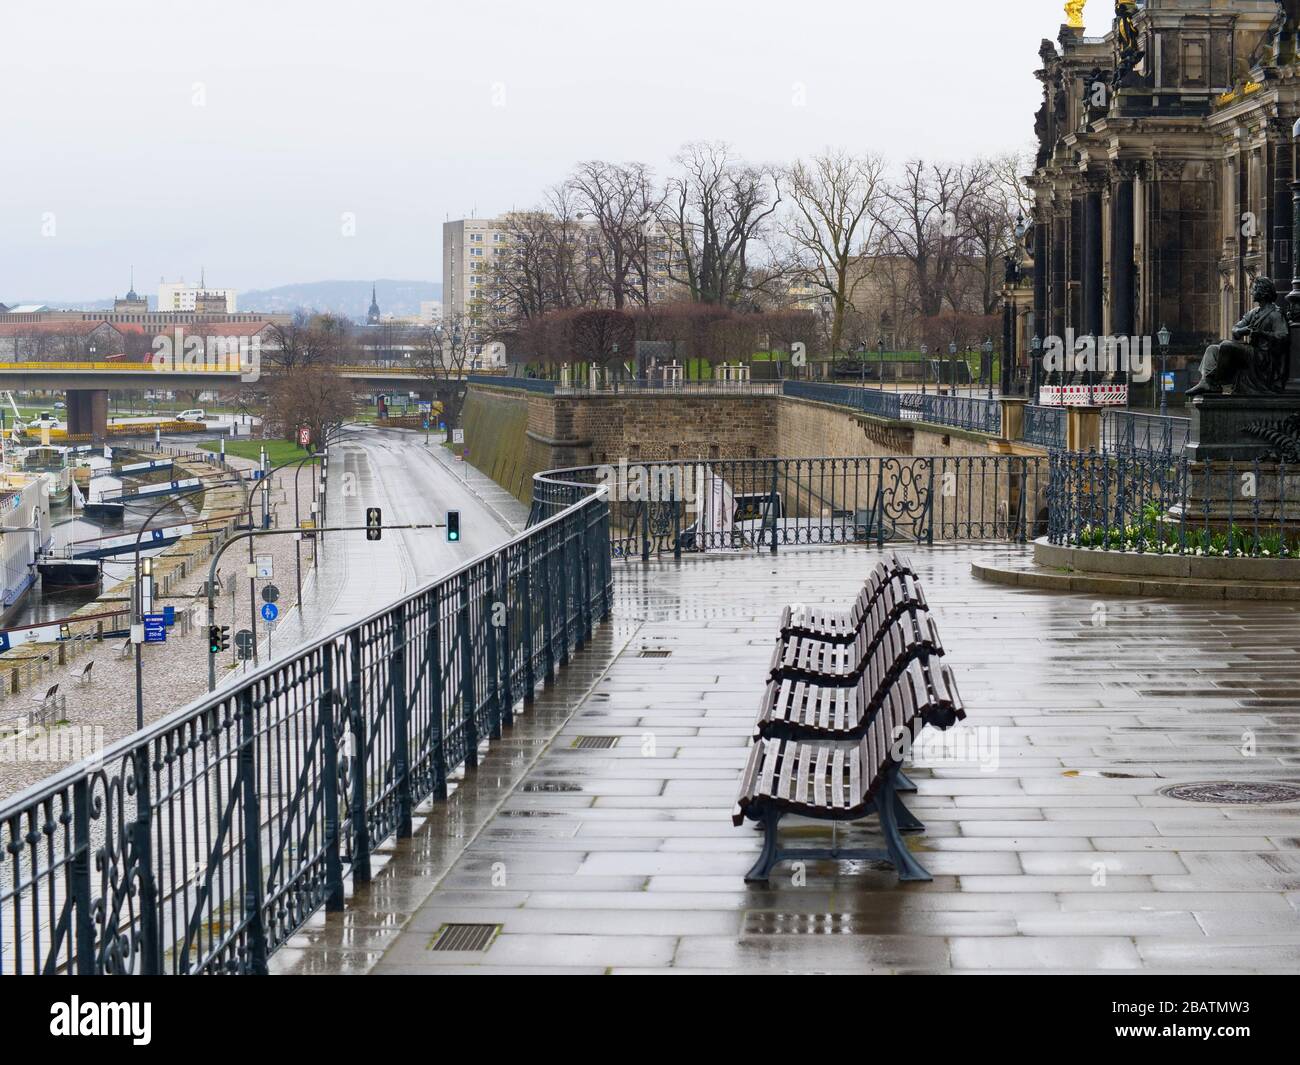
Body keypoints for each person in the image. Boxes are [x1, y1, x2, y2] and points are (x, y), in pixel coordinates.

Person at [1187, 276, 1290, 396]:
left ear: (1263, 292)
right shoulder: (1254, 312)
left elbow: (1283, 336)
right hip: (1251, 352)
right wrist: (1243, 330)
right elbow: (1234, 330)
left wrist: (1262, 333)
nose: (1251, 293)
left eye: (1255, 289)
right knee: (1212, 349)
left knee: (1226, 346)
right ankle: (1207, 381)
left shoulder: (1275, 314)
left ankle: (1215, 380)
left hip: (1262, 356)